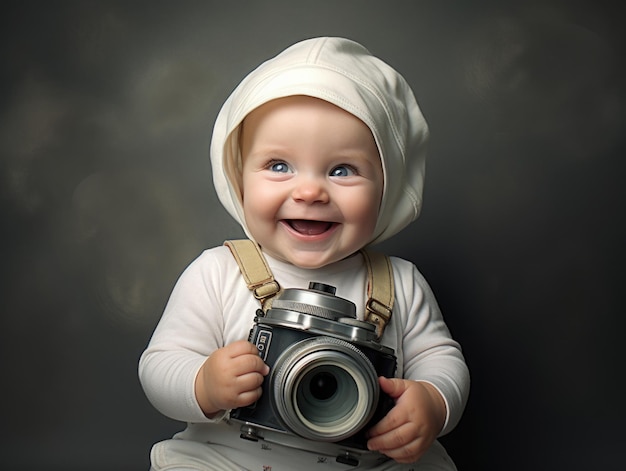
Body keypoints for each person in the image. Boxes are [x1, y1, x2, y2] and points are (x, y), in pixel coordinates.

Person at [139, 36, 470, 471]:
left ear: (387, 188)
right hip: (232, 459)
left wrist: (432, 402)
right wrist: (203, 383)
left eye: (342, 170)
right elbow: (159, 365)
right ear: (238, 177)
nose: (310, 191)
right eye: (279, 166)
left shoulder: (400, 282)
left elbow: (442, 360)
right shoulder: (216, 273)